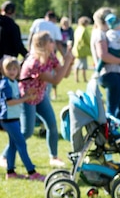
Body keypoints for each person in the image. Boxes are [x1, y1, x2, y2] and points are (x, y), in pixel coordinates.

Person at [0, 31, 74, 169]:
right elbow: (56, 80)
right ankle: (4, 156)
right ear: (43, 45)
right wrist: (67, 61)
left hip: (40, 95)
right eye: (50, 41)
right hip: (27, 98)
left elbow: (64, 74)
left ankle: (54, 157)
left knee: (52, 125)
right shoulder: (34, 62)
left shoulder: (50, 56)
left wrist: (68, 62)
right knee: (26, 132)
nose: (54, 43)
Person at [0, 56, 44, 180]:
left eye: (15, 68)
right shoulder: (5, 84)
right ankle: (32, 172)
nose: (12, 71)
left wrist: (28, 94)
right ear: (3, 70)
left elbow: (17, 97)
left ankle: (10, 172)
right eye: (9, 69)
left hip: (14, 118)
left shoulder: (14, 82)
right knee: (21, 144)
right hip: (8, 119)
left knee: (13, 144)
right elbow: (9, 102)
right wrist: (26, 98)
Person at [91, 7, 120, 120]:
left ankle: (116, 132)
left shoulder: (106, 33)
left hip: (114, 74)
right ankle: (110, 132)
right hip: (110, 73)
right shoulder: (100, 34)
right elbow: (104, 55)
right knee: (112, 109)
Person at [72, 16, 92, 83]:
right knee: (83, 66)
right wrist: (91, 46)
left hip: (76, 49)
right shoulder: (84, 30)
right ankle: (84, 79)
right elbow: (88, 40)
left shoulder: (77, 29)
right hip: (82, 50)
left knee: (77, 65)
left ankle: (76, 78)